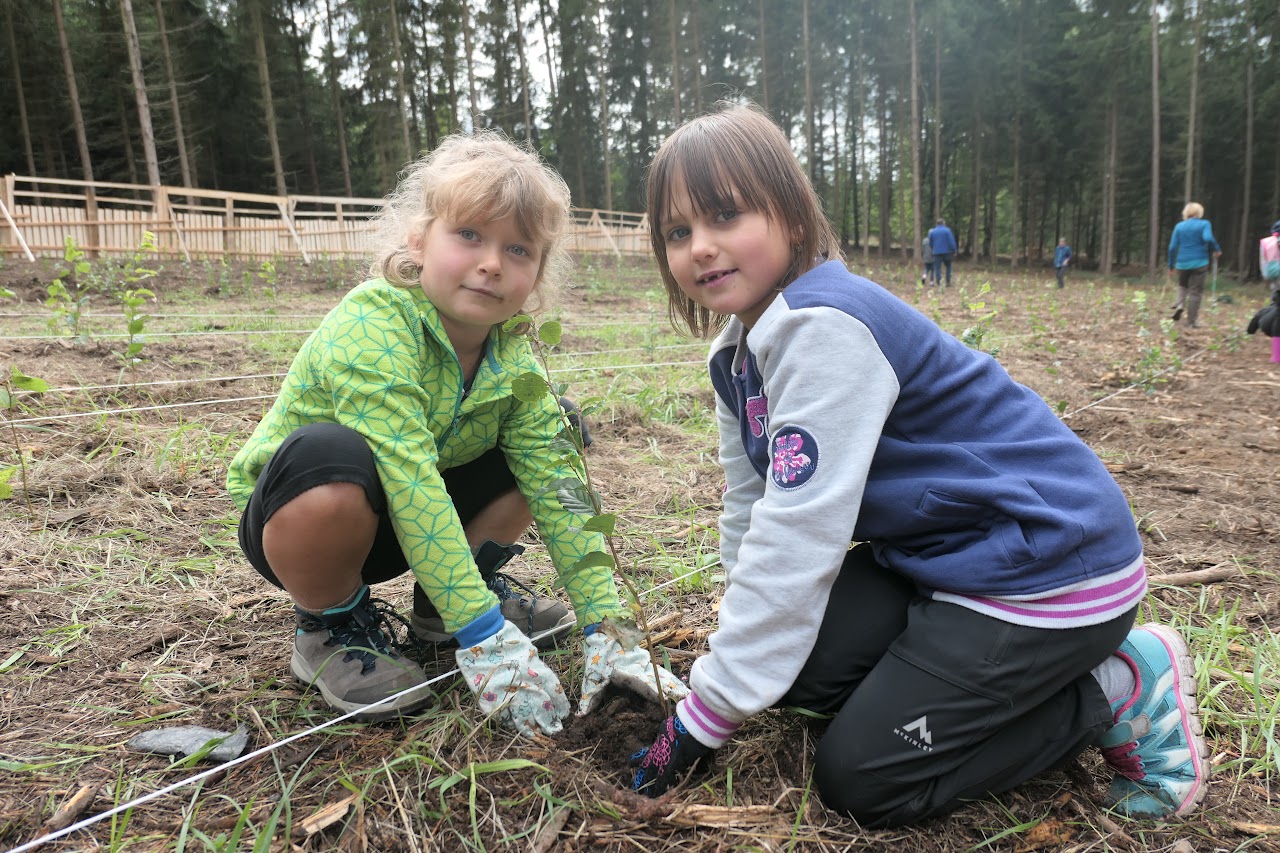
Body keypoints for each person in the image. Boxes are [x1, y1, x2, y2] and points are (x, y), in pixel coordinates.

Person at [630, 103, 1208, 827]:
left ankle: (1113, 686)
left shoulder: (822, 329)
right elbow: (752, 508)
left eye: (724, 216)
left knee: (862, 779)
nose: (702, 247)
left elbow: (799, 532)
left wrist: (701, 717)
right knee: (796, 671)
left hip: (1044, 571)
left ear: (794, 220)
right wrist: (730, 658)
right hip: (944, 557)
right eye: (678, 232)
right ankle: (950, 677)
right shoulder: (738, 354)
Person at [227, 131, 686, 732]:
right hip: (311, 524)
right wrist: (485, 634)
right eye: (469, 235)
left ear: (538, 272)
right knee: (328, 454)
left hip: (415, 517)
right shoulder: (374, 322)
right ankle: (333, 625)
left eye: (519, 249)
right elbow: (407, 476)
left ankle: (439, 611)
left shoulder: (514, 356)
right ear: (419, 240)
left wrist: (612, 629)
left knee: (559, 433)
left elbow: (557, 489)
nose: (492, 263)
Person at [1168, 202, 1222, 328]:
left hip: (1182, 263)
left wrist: (1171, 265)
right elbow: (1208, 238)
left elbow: (1172, 247)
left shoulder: (1179, 226)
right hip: (1199, 262)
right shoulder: (1204, 224)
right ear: (1199, 212)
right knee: (1195, 292)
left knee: (1182, 285)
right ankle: (1191, 322)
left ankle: (1180, 304)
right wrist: (1216, 249)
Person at [928, 217, 957, 286]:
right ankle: (948, 281)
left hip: (936, 252)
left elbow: (930, 242)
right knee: (948, 266)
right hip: (947, 252)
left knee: (937, 267)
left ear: (937, 224)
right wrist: (954, 250)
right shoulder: (947, 231)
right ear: (943, 223)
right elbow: (951, 241)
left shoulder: (933, 232)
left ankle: (939, 281)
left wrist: (933, 248)